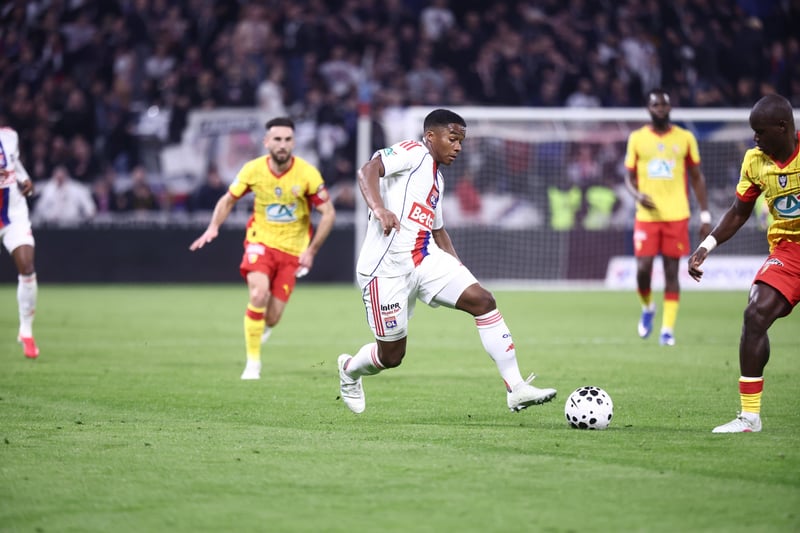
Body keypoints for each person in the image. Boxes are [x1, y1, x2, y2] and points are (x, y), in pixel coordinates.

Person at [337, 108, 556, 414]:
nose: (458, 147)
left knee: (483, 300)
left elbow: (438, 231)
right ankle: (349, 370)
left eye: (461, 141)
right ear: (430, 136)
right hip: (385, 271)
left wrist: (459, 270)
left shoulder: (437, 180)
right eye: (452, 139)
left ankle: (516, 388)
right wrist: (379, 208)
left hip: (425, 259)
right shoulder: (413, 152)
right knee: (391, 356)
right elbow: (368, 170)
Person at [190, 117, 336, 380]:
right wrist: (213, 227)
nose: (282, 144)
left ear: (293, 143)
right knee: (258, 294)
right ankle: (253, 364)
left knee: (273, 317)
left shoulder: (307, 174)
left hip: (292, 250)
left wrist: (311, 251)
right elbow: (228, 199)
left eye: (287, 139)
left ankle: (264, 327)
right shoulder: (253, 170)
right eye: (277, 139)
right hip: (260, 243)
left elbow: (328, 213)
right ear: (266, 142)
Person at [688, 93, 800, 433]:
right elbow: (739, 212)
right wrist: (706, 246)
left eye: (760, 131)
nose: (755, 138)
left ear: (782, 127)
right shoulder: (754, 161)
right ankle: (750, 417)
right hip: (788, 252)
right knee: (755, 315)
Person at [624, 88, 711, 346]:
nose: (660, 109)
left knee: (672, 272)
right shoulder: (637, 138)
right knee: (643, 269)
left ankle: (667, 330)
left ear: (670, 108)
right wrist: (637, 195)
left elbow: (697, 177)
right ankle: (648, 307)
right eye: (656, 105)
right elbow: (628, 177)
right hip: (647, 215)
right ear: (648, 109)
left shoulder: (685, 138)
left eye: (664, 105)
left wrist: (705, 214)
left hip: (676, 215)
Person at [0, 125, 40, 358]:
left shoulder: (9, 136)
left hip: (13, 213)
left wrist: (25, 179)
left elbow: (14, 162)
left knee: (27, 267)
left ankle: (26, 331)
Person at [32, 165, 97, 225]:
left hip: (73, 223)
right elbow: (39, 207)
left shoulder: (76, 188)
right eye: (57, 177)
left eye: (61, 177)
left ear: (66, 176)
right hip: (52, 223)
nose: (59, 180)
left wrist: (89, 214)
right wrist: (47, 216)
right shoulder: (48, 189)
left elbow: (89, 206)